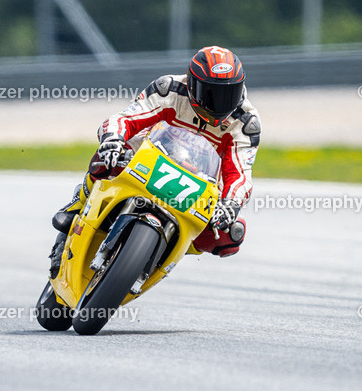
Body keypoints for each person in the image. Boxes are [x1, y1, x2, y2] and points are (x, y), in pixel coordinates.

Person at [49, 45, 260, 276]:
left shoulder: (246, 122)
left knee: (230, 236)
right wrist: (113, 138)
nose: (220, 104)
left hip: (198, 186)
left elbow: (239, 173)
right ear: (192, 84)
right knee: (105, 158)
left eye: (228, 94)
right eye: (211, 94)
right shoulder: (169, 90)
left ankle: (166, 251)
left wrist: (230, 203)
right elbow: (126, 118)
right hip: (145, 162)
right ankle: (78, 206)